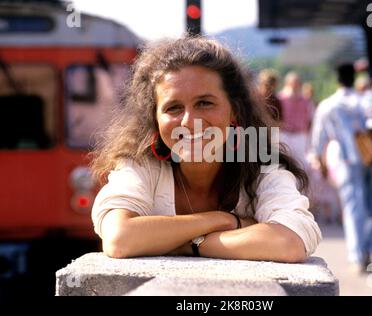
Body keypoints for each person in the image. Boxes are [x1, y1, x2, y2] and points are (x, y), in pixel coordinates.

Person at [89, 37, 322, 263]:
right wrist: (223, 220)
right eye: (174, 108)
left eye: (204, 103)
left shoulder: (261, 165)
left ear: (234, 112)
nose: (189, 121)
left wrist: (191, 244)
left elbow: (290, 241)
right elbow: (119, 238)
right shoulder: (141, 164)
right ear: (155, 120)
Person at [311, 64, 372, 273]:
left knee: (354, 206)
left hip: (346, 159)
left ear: (338, 80)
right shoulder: (369, 100)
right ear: (355, 78)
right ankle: (371, 246)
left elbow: (319, 137)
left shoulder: (329, 104)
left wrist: (319, 159)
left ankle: (357, 254)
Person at [278, 71, 314, 164]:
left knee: (300, 162)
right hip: (284, 134)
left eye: (297, 84)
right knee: (284, 161)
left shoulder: (306, 100)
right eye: (293, 84)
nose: (295, 86)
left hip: (300, 135)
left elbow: (310, 118)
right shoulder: (280, 99)